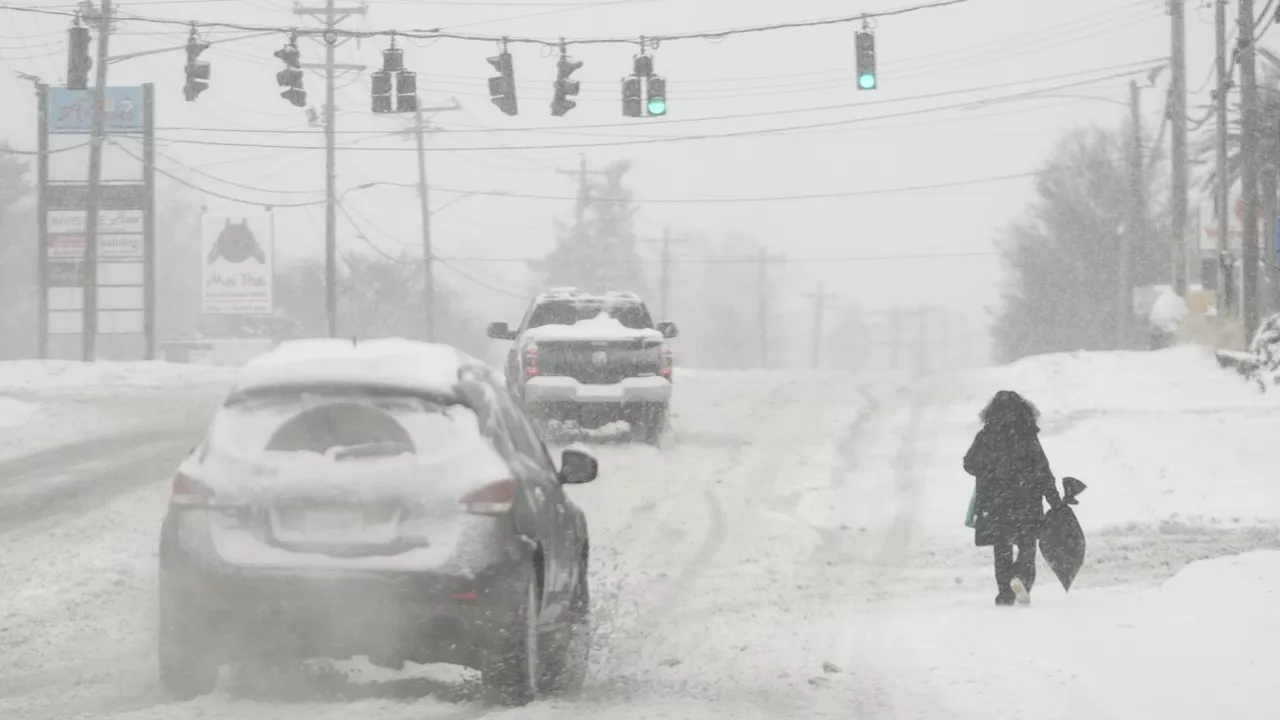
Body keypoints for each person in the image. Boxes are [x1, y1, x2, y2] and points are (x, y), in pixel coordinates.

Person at [963, 390, 1062, 606]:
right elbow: (1043, 470)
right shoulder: (1028, 436)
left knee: (1002, 549)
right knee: (1027, 546)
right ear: (1023, 410)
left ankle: (1004, 593)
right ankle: (1021, 578)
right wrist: (1054, 500)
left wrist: (988, 470)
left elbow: (969, 464)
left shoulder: (986, 435)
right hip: (1028, 500)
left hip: (997, 503)